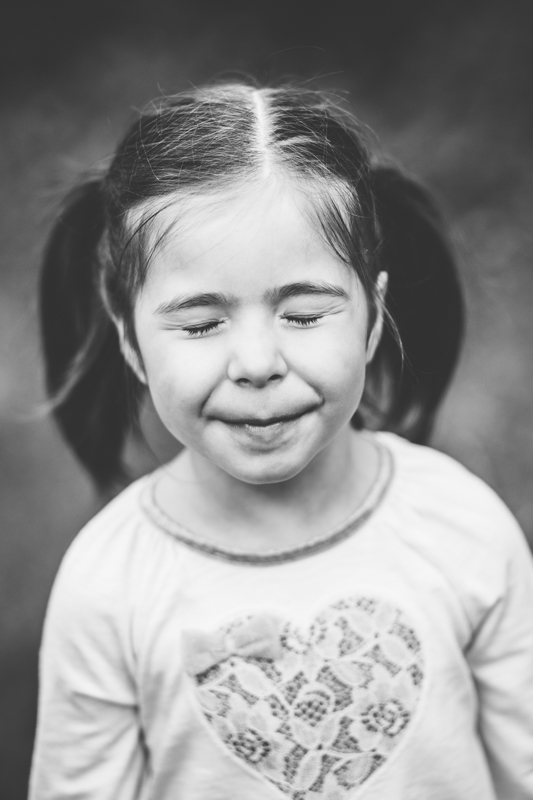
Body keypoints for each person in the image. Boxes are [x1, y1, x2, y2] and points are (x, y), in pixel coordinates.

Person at [29, 81, 533, 800]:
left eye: (301, 314)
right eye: (201, 323)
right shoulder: (108, 586)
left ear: (370, 315)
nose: (257, 363)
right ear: (130, 339)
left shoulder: (461, 530)